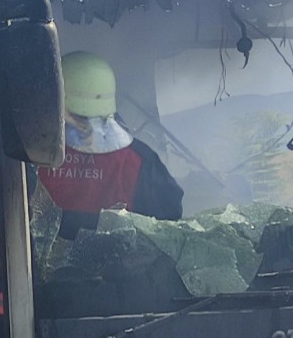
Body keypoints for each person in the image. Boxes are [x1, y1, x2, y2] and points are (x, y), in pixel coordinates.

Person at [36, 51, 183, 236]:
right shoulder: (139, 160)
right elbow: (169, 220)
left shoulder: (27, 155)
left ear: (53, 97)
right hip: (117, 263)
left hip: (34, 264)